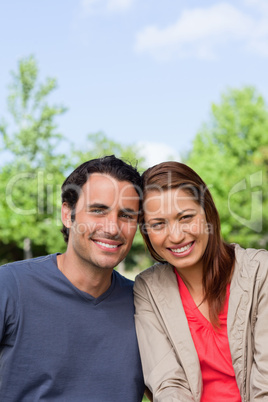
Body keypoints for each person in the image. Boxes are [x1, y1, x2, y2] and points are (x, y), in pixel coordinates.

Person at [0, 155, 146, 401]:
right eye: (98, 210)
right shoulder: (9, 287)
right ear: (68, 215)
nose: (112, 228)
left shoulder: (145, 305)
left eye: (126, 215)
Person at [134, 161, 268, 402]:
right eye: (158, 224)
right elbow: (167, 384)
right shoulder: (148, 289)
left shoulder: (261, 272)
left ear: (207, 213)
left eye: (185, 217)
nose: (175, 236)